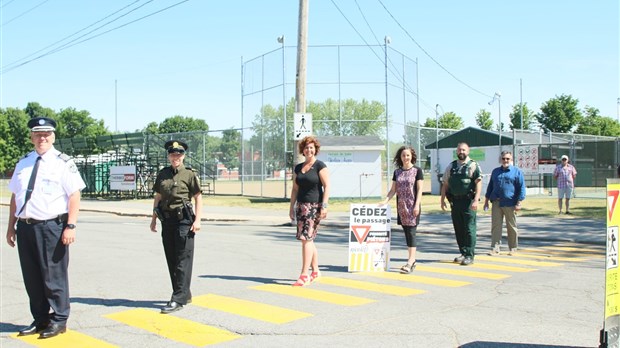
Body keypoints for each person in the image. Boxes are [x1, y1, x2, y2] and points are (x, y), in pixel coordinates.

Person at [5, 117, 86, 339]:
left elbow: (74, 195)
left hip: (52, 226)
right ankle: (40, 318)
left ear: (53, 137)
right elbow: (15, 196)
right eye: (38, 134)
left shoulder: (63, 162)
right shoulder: (24, 162)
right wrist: (11, 226)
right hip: (26, 228)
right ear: (31, 137)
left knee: (53, 277)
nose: (42, 138)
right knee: (32, 277)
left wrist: (71, 225)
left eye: (46, 134)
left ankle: (59, 319)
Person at [150, 140, 202, 314]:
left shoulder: (189, 174)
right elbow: (158, 197)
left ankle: (178, 298)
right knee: (172, 259)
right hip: (168, 221)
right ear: (169, 156)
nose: (175, 157)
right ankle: (183, 293)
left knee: (182, 260)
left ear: (183, 156)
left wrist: (198, 220)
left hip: (185, 222)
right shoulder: (163, 174)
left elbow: (198, 197)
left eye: (178, 154)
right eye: (172, 154)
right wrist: (153, 219)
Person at [289, 136, 330, 286]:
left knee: (306, 239)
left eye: (311, 147)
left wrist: (324, 206)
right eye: (306, 147)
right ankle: (316, 271)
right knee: (308, 239)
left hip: (314, 207)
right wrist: (292, 207)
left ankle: (304, 274)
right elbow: (294, 189)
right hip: (301, 206)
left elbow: (327, 187)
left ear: (315, 149)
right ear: (303, 150)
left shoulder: (320, 166)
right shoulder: (298, 168)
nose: (309, 150)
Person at [381, 146, 424, 273]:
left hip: (412, 206)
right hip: (402, 207)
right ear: (400, 157)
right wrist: (385, 201)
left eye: (408, 155)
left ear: (412, 156)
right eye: (403, 155)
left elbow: (420, 190)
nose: (405, 158)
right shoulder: (397, 172)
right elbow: (393, 190)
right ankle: (412, 260)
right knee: (406, 233)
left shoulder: (417, 171)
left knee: (411, 233)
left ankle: (411, 261)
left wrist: (417, 205)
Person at [440, 142, 483, 266]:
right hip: (455, 202)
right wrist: (442, 199)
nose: (461, 152)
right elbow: (445, 184)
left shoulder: (473, 165)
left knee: (469, 229)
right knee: (459, 229)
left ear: (468, 151)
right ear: (456, 152)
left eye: (463, 150)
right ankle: (463, 252)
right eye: (459, 150)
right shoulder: (451, 166)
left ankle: (470, 255)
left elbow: (478, 183)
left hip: (469, 202)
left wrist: (476, 200)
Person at [483, 151, 526, 256]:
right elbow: (490, 187)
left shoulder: (516, 172)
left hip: (510, 203)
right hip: (496, 202)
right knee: (496, 226)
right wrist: (486, 202)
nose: (505, 160)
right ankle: (495, 248)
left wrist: (519, 202)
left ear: (511, 160)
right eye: (503, 158)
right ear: (500, 159)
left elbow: (521, 188)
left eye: (508, 159)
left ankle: (513, 248)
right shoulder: (495, 172)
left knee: (511, 226)